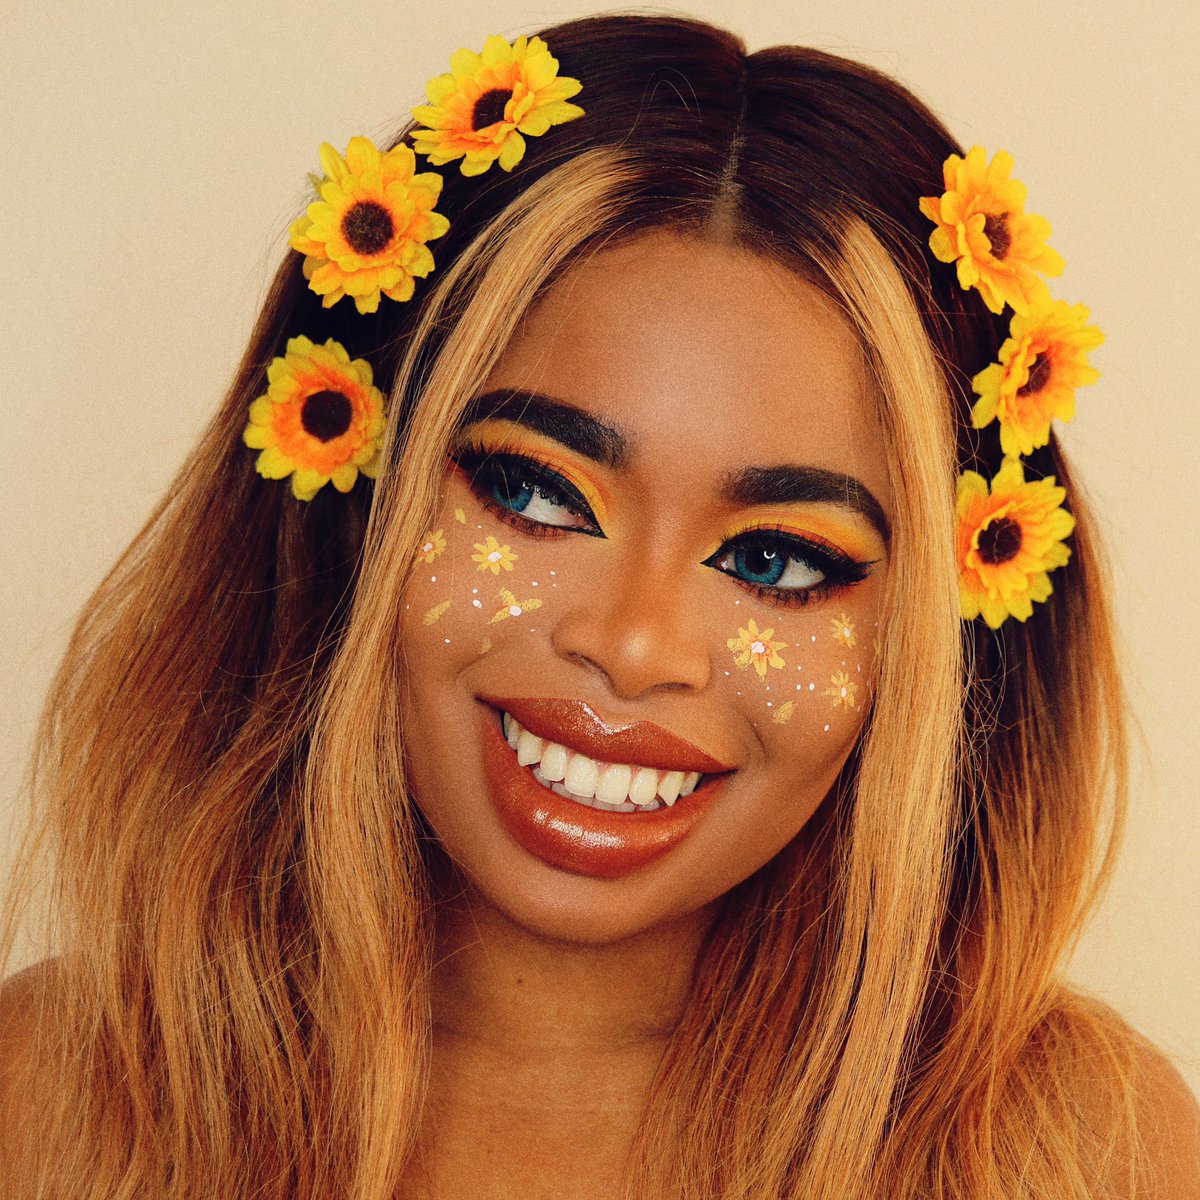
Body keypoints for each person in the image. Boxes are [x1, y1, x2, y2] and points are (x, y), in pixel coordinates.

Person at [1, 13, 1196, 1199]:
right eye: (533, 491)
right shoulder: (44, 1094)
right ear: (354, 490)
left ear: (931, 640)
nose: (631, 646)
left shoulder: (1079, 1155)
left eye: (776, 560)